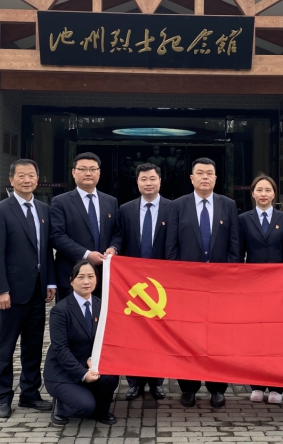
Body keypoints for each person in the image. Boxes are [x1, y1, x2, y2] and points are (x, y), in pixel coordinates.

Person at [165, 157, 241, 408]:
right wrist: (176, 279)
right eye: (200, 173)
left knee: (218, 338)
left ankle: (217, 388)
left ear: (216, 178)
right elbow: (171, 247)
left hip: (220, 286)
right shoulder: (178, 205)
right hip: (187, 286)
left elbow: (234, 246)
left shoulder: (228, 205)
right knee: (187, 337)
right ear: (192, 178)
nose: (205, 177)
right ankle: (188, 387)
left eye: (209, 173)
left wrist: (229, 276)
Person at [0, 159, 56, 418]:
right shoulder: (0, 211)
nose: (27, 180)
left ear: (38, 179)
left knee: (33, 346)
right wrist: (0, 290)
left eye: (32, 175)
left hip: (37, 291)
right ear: (11, 180)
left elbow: (46, 250)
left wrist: (50, 282)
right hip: (11, 294)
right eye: (22, 176)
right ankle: (2, 396)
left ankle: (30, 393)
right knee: (5, 347)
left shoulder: (44, 209)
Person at [117, 163, 171, 401]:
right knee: (133, 333)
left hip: (162, 282)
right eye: (143, 179)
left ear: (160, 181)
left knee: (159, 333)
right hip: (132, 282)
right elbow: (119, 238)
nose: (148, 183)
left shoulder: (172, 208)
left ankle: (157, 381)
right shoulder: (125, 209)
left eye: (152, 179)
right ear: (137, 182)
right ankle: (134, 382)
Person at [238, 174, 283, 404]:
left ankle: (276, 386)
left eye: (268, 190)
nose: (263, 194)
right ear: (252, 194)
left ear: (274, 194)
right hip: (253, 286)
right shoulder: (243, 219)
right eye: (259, 190)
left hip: (279, 287)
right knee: (256, 335)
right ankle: (257, 384)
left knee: (277, 336)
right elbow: (239, 251)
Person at [44, 260, 119, 426]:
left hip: (90, 366)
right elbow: (60, 348)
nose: (86, 281)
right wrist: (83, 373)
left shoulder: (101, 305)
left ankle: (101, 411)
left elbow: (107, 339)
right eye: (81, 277)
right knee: (84, 407)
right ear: (71, 281)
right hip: (63, 373)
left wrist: (96, 360)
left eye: (91, 277)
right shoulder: (60, 310)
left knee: (111, 378)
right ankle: (61, 405)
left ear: (97, 280)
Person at [49, 152, 122, 300]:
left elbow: (117, 232)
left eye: (93, 169)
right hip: (72, 274)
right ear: (73, 172)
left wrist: (113, 248)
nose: (88, 173)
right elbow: (57, 236)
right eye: (82, 169)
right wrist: (86, 254)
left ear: (99, 172)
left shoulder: (111, 201)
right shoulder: (60, 202)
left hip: (104, 276)